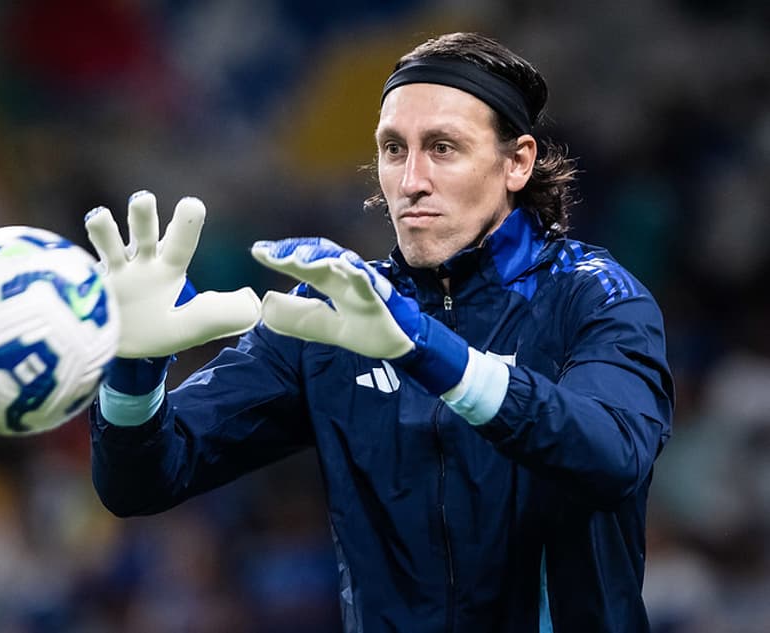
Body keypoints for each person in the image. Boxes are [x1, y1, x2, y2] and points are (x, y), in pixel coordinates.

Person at [83, 32, 674, 633]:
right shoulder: (334, 315)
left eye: (443, 148)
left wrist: (422, 347)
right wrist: (132, 373)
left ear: (517, 162)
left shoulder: (595, 297)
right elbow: (141, 482)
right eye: (394, 149)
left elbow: (613, 454)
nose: (411, 179)